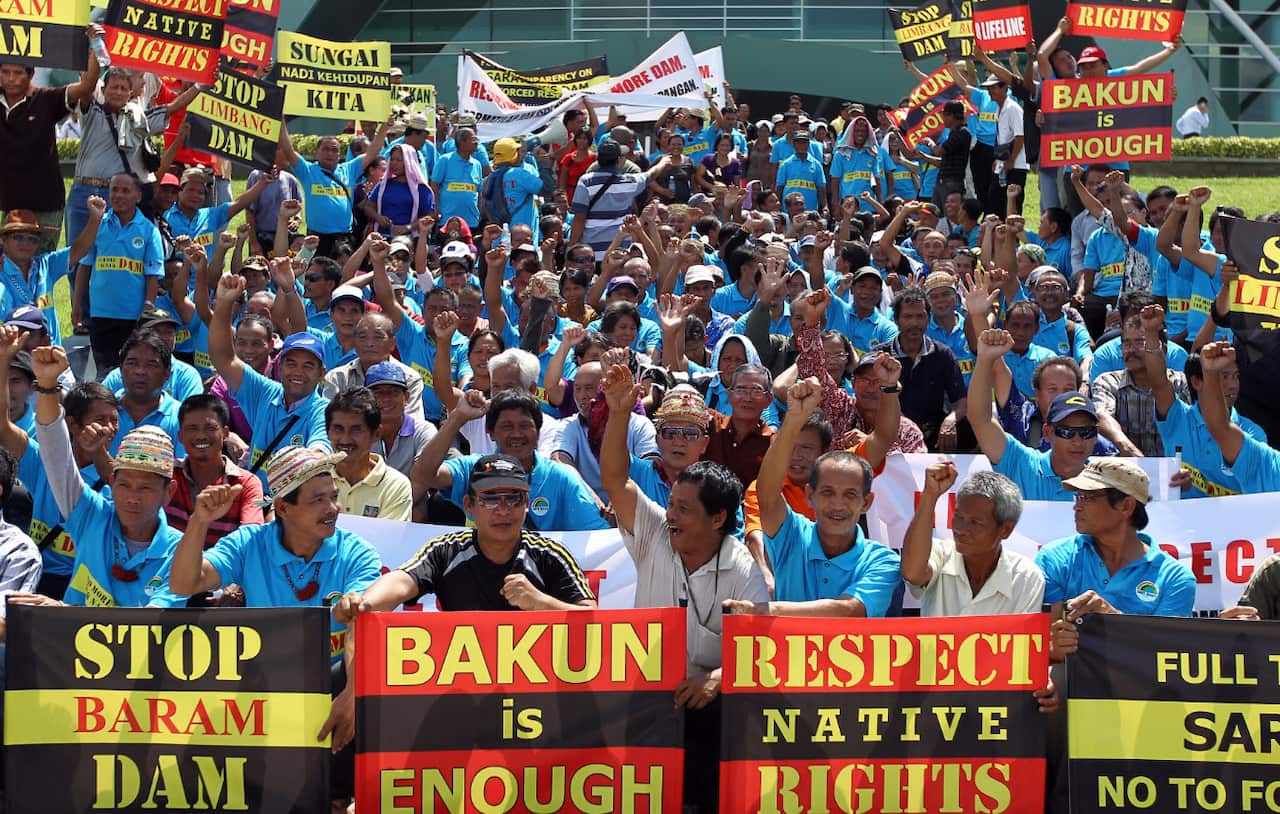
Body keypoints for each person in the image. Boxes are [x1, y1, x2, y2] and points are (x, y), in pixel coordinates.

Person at [164, 445, 382, 804]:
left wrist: (351, 697)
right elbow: (184, 585)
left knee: (351, 678)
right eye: (318, 501)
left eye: (334, 497)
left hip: (331, 690)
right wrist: (199, 521)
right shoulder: (249, 543)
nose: (333, 510)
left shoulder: (357, 552)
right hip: (264, 690)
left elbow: (362, 624)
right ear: (282, 508)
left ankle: (339, 799)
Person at [597, 363, 767, 814]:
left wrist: (717, 677)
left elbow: (764, 652)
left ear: (717, 520)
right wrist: (618, 414)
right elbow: (616, 479)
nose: (670, 515)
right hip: (644, 705)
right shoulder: (654, 532)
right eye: (671, 505)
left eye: (684, 510)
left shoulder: (742, 569)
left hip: (708, 717)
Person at [19, 346, 187, 608]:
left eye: (145, 488)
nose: (132, 498)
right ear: (112, 483)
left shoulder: (180, 551)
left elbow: (147, 625)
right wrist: (48, 384)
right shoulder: (91, 516)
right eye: (123, 485)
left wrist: (63, 612)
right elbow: (56, 454)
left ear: (169, 492)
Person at [1040, 457, 1196, 654]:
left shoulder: (1176, 578)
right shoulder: (1054, 558)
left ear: (1126, 506)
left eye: (1088, 497)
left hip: (1138, 683)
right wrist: (1051, 649)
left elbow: (1166, 657)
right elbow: (1040, 638)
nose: (1077, 506)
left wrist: (1111, 619)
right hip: (1069, 678)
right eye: (1077, 496)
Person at [413, 389, 609, 531]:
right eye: (507, 426)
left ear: (538, 431)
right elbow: (423, 475)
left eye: (525, 426)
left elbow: (596, 537)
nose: (517, 434)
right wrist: (458, 418)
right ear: (491, 433)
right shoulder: (473, 469)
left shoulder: (562, 478)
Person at [209, 273, 331, 486]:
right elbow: (223, 357)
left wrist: (316, 455)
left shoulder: (324, 412)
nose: (298, 372)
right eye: (291, 363)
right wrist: (225, 303)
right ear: (279, 366)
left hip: (291, 511)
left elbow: (319, 449)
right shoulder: (265, 391)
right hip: (253, 499)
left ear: (322, 374)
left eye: (308, 366)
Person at [0, 25, 102, 250]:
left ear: (31, 74)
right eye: (5, 72)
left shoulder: (46, 99)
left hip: (46, 206)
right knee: (6, 275)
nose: (10, 79)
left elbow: (87, 86)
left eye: (17, 73)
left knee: (39, 273)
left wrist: (95, 44)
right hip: (8, 205)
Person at [969, 329, 1097, 500]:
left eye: (1086, 432)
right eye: (1066, 431)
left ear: (1096, 437)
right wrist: (985, 359)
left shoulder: (1109, 484)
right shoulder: (1022, 463)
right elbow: (980, 419)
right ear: (1048, 433)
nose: (1077, 440)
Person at [903, 463, 1044, 616]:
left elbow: (1024, 638)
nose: (960, 529)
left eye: (975, 522)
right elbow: (912, 573)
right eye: (958, 516)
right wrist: (930, 496)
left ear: (1005, 530)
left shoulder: (1027, 578)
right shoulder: (940, 554)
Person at [74, 173, 165, 373]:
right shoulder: (97, 226)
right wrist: (77, 303)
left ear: (138, 196)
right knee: (99, 370)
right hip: (101, 313)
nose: (118, 195)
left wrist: (147, 308)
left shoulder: (149, 231)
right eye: (114, 189)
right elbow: (85, 266)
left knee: (127, 367)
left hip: (132, 316)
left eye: (125, 190)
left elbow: (152, 276)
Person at [163, 394, 263, 550]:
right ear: (180, 436)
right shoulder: (167, 474)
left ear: (225, 433)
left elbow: (251, 535)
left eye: (210, 428)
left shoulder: (247, 484)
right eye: (192, 428)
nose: (201, 436)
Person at [277, 118, 389, 256]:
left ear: (339, 155)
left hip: (344, 239)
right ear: (317, 152)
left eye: (334, 150)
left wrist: (385, 127)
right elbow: (288, 150)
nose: (330, 153)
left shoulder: (349, 169)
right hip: (317, 239)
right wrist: (280, 119)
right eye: (325, 149)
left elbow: (373, 151)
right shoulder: (308, 171)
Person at [874, 287, 965, 451]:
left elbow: (960, 401)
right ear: (896, 319)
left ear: (928, 319)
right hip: (891, 435)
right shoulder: (881, 357)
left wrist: (950, 421)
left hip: (934, 435)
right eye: (908, 317)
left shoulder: (943, 354)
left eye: (920, 316)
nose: (914, 323)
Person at [1091, 313, 1191, 458]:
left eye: (1140, 343)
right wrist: (1132, 453)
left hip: (1174, 471)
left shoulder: (1179, 382)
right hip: (1125, 471)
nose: (1131, 350)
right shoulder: (1108, 382)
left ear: (1162, 350)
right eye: (1126, 344)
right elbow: (1101, 416)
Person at [0, 207, 99, 347]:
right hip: (17, 362)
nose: (25, 244)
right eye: (18, 237)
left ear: (39, 244)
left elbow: (80, 249)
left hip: (52, 355)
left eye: (32, 239)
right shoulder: (2, 274)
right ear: (3, 240)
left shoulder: (46, 265)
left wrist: (95, 218)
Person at [326, 388, 412, 521]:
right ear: (327, 432)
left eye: (356, 430)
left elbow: (389, 540)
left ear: (376, 434)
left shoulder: (395, 485)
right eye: (338, 429)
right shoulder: (311, 479)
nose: (345, 440)